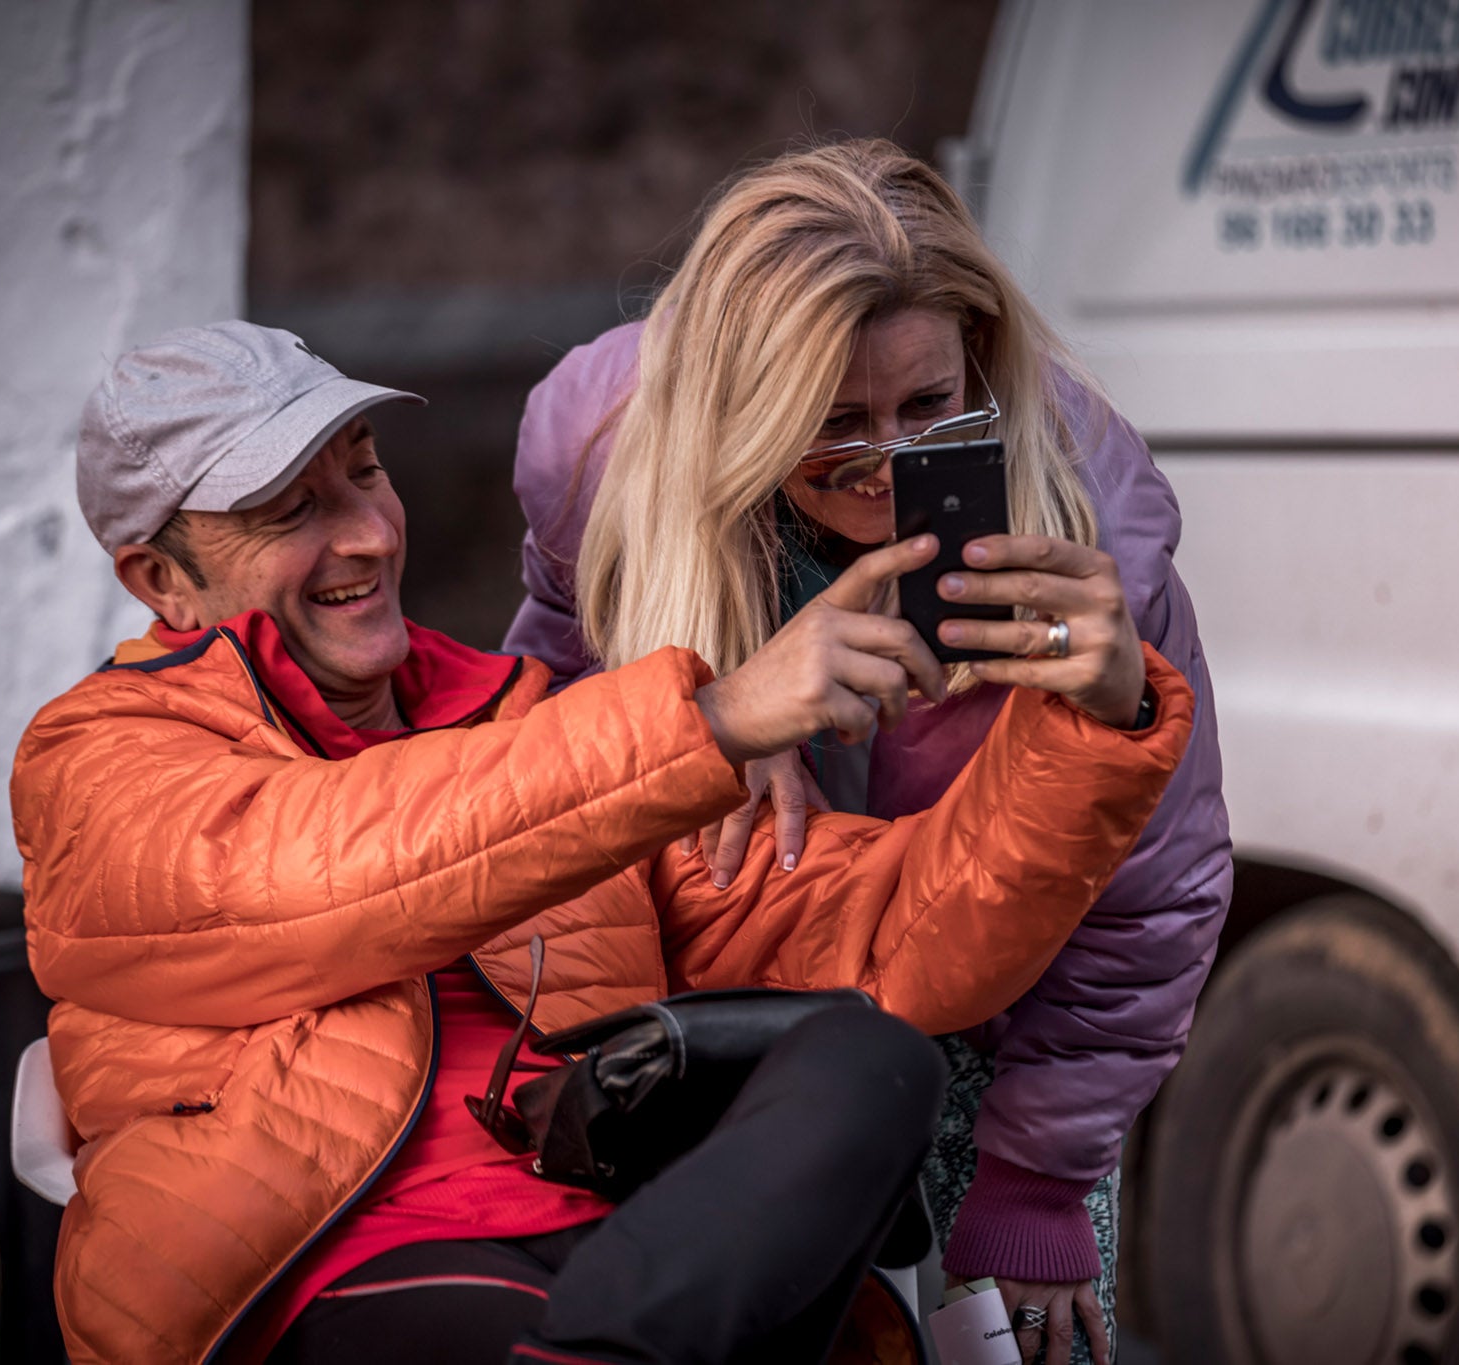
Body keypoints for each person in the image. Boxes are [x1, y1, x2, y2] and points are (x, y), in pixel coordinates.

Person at [12, 321, 1198, 1365]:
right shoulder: (98, 755)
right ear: (161, 579)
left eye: (367, 476)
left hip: (628, 1255)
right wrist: (717, 720)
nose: (367, 534)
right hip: (326, 1275)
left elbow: (900, 934)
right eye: (293, 511)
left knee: (874, 1058)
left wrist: (1092, 720)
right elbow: (332, 865)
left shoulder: (532, 718)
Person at [505, 139, 1234, 1365]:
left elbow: (1148, 899)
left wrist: (1035, 1188)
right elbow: (540, 739)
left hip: (994, 1058)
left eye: (928, 407)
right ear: (741, 409)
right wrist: (706, 716)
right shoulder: (601, 458)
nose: (888, 468)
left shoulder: (1085, 525)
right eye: (832, 425)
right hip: (710, 1028)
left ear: (980, 357)